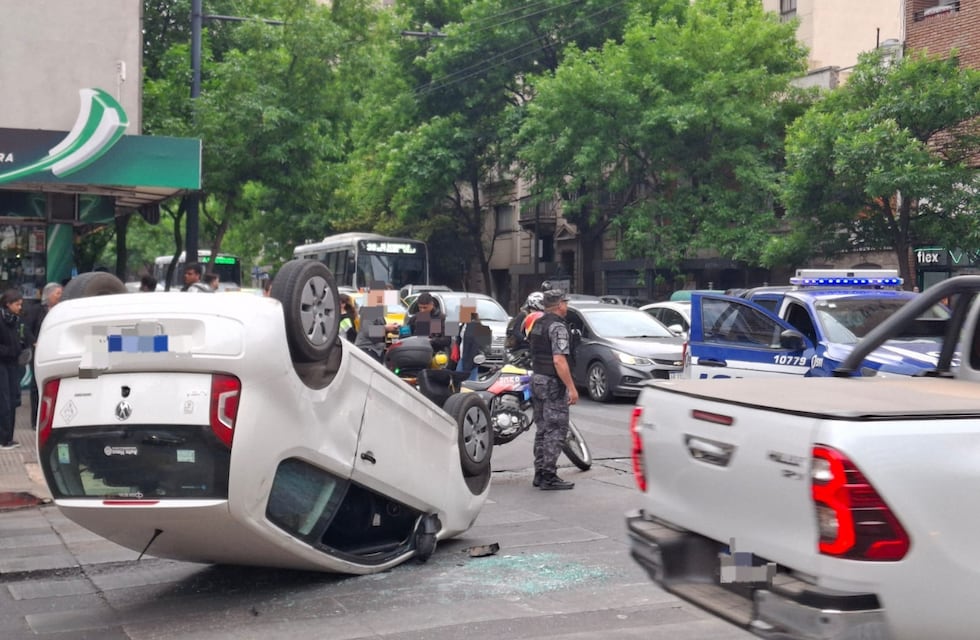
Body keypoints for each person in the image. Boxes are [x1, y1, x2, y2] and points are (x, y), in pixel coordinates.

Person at [526, 289, 578, 490]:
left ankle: (539, 473)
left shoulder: (537, 324)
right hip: (552, 384)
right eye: (566, 302)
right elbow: (559, 360)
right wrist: (571, 388)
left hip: (537, 380)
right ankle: (549, 475)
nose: (567, 306)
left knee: (542, 429)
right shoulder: (557, 327)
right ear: (560, 305)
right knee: (556, 429)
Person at [25, 282, 62, 426]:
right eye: (58, 293)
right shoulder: (36, 310)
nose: (60, 296)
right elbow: (26, 329)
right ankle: (36, 420)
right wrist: (34, 342)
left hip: (56, 351)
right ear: (49, 294)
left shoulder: (62, 310)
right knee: (36, 385)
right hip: (39, 352)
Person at [0, 289, 25, 450]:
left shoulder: (15, 320)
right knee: (4, 401)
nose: (20, 307)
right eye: (17, 304)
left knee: (14, 399)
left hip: (13, 364)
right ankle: (4, 439)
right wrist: (10, 351)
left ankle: (8, 437)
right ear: (8, 304)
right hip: (2, 364)